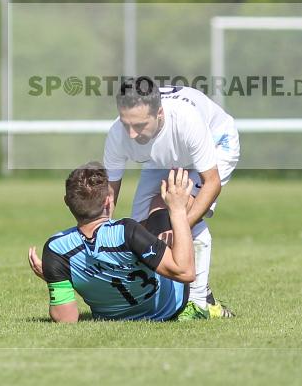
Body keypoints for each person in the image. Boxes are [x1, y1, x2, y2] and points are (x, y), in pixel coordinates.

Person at [103, 77, 239, 318]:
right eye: (127, 125)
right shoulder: (118, 132)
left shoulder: (186, 121)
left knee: (177, 214)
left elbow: (212, 183)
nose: (132, 135)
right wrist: (96, 242)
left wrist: (181, 227)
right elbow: (108, 196)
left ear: (160, 114)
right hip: (165, 156)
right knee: (140, 229)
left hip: (218, 143)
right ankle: (152, 295)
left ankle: (199, 302)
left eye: (140, 125)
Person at [28, 163, 197, 322]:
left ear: (66, 201)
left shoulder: (56, 250)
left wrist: (56, 276)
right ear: (108, 200)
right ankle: (205, 298)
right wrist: (178, 210)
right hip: (166, 309)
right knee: (163, 205)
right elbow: (185, 273)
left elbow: (67, 319)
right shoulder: (127, 230)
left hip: (110, 317)